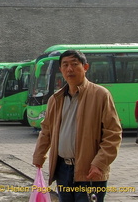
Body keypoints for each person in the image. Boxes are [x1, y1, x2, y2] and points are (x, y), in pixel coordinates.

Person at [32, 50, 122, 202]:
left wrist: (99, 164)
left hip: (89, 171)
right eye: (65, 65)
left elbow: (113, 134)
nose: (69, 69)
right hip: (62, 170)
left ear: (85, 67)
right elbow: (46, 130)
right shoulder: (55, 99)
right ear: (60, 70)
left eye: (74, 64)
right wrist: (39, 155)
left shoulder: (100, 95)